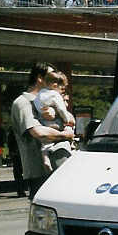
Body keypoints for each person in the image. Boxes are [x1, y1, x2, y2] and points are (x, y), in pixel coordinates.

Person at [10, 62, 75, 199]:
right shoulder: (23, 103)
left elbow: (70, 119)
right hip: (40, 172)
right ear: (40, 78)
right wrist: (65, 135)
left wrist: (57, 113)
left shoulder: (49, 99)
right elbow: (38, 132)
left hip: (59, 167)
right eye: (52, 77)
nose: (56, 81)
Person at [34, 70, 76, 172]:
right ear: (55, 85)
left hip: (43, 121)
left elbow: (38, 106)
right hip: (55, 123)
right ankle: (71, 144)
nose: (62, 91)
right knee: (63, 134)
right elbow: (62, 109)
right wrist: (66, 119)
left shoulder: (39, 94)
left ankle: (45, 157)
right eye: (62, 88)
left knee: (46, 143)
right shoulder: (54, 95)